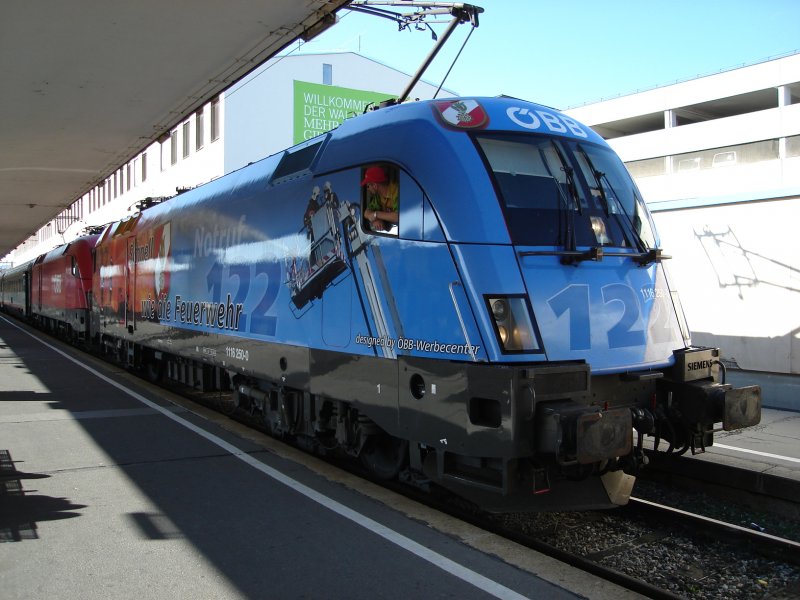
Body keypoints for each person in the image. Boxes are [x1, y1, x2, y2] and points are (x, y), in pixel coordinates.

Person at [361, 166, 398, 232]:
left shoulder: (397, 191)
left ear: (375, 186)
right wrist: (376, 219)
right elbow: (366, 212)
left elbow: (398, 217)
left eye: (368, 186)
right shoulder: (378, 196)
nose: (368, 189)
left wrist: (376, 214)